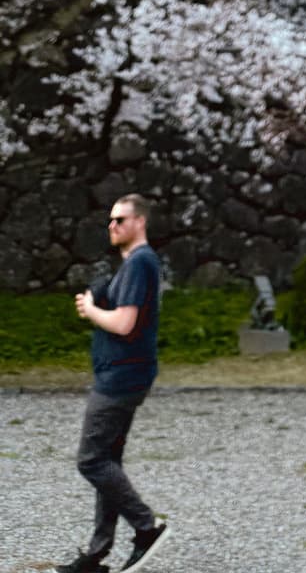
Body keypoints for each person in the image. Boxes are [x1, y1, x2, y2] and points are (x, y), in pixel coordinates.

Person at [56, 193, 170, 573]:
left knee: (90, 460)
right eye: (110, 221)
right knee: (108, 462)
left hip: (121, 379)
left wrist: (91, 311)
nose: (112, 226)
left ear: (139, 222)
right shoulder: (133, 265)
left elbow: (124, 323)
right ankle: (97, 554)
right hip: (121, 374)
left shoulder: (140, 262)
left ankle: (146, 527)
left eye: (120, 219)